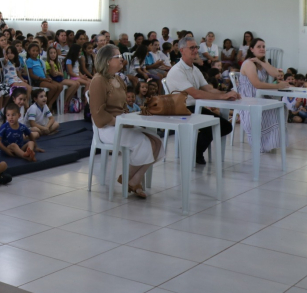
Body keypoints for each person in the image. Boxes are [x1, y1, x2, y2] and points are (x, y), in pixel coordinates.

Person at [89, 45, 162, 198]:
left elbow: (124, 107)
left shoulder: (118, 78)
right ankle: (133, 179)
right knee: (144, 142)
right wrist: (119, 122)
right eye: (118, 56)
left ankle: (133, 179)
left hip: (121, 123)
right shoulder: (98, 80)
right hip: (107, 128)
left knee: (157, 142)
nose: (122, 58)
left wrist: (133, 117)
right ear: (108, 61)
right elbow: (98, 113)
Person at [165, 37, 236, 164]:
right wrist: (221, 97)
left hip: (195, 107)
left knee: (223, 126)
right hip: (182, 110)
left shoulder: (194, 68)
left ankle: (194, 151)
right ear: (182, 50)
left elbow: (207, 88)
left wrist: (226, 93)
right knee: (219, 126)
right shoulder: (177, 70)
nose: (195, 50)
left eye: (196, 47)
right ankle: (194, 153)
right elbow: (196, 93)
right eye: (191, 47)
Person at [236, 38, 290, 151]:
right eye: (259, 46)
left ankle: (271, 143)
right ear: (252, 49)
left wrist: (261, 62)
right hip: (249, 97)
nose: (262, 49)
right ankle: (263, 144)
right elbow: (257, 84)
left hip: (261, 95)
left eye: (263, 46)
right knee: (272, 109)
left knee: (282, 107)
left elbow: (277, 74)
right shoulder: (248, 63)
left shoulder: (263, 62)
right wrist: (277, 86)